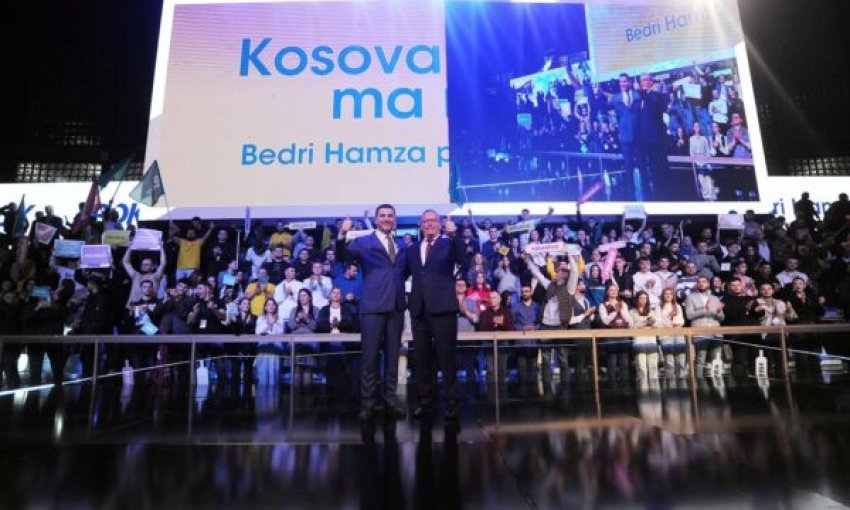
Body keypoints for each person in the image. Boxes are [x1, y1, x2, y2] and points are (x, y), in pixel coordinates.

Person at [337, 204, 407, 423]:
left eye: (390, 216)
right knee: (369, 357)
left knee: (393, 359)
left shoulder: (401, 244)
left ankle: (390, 402)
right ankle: (367, 404)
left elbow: (402, 273)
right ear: (376, 219)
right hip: (373, 307)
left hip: (395, 307)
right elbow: (343, 255)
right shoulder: (364, 241)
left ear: (395, 219)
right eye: (382, 216)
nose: (386, 219)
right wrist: (342, 234)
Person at [402, 209, 467, 425]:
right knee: (422, 360)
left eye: (433, 221)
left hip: (443, 309)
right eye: (425, 221)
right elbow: (402, 273)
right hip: (419, 310)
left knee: (447, 359)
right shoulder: (412, 248)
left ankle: (451, 405)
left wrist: (455, 233)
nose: (429, 224)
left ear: (440, 224)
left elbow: (463, 259)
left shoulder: (449, 243)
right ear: (420, 225)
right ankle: (425, 403)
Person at [524, 253, 580, 385]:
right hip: (545, 326)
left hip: (560, 326)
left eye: (559, 271)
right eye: (557, 271)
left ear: (564, 275)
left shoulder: (569, 288)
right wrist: (527, 260)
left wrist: (569, 255)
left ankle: (565, 387)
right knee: (545, 359)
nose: (556, 273)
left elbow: (575, 272)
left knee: (563, 359)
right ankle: (546, 387)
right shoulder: (550, 285)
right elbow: (537, 274)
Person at [685, 276, 725, 376]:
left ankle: (716, 381)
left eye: (704, 281)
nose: (701, 284)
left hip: (716, 332)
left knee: (717, 359)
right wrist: (704, 309)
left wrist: (719, 312)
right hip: (700, 332)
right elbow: (689, 315)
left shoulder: (715, 298)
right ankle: (699, 382)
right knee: (700, 358)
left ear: (708, 284)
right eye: (699, 282)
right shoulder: (691, 297)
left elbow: (722, 318)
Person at [598, 283, 633, 381]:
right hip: (610, 335)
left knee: (624, 362)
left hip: (623, 334)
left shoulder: (623, 304)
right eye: (611, 290)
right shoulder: (603, 305)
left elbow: (629, 320)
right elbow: (605, 321)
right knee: (612, 362)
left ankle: (625, 383)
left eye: (615, 290)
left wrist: (621, 311)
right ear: (607, 292)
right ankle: (612, 384)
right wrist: (615, 311)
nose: (613, 292)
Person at [255, 298, 285, 386]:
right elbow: (258, 332)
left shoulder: (280, 319)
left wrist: (274, 323)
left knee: (274, 374)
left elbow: (281, 332)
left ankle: (274, 394)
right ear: (265, 307)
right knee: (262, 373)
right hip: (263, 347)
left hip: (275, 347)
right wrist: (268, 325)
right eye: (268, 304)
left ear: (275, 307)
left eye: (273, 304)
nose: (271, 306)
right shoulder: (260, 318)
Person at [630, 291, 659, 379]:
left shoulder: (651, 311)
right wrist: (645, 322)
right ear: (637, 299)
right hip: (639, 339)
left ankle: (654, 385)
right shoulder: (632, 312)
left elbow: (657, 325)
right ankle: (642, 385)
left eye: (645, 298)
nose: (643, 300)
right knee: (641, 365)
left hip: (651, 338)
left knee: (653, 365)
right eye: (641, 298)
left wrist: (653, 322)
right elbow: (631, 326)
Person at [657, 288, 686, 378]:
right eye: (666, 293)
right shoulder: (659, 308)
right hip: (665, 335)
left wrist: (672, 323)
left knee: (681, 361)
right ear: (663, 296)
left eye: (670, 293)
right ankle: (671, 383)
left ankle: (681, 382)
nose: (668, 295)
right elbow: (659, 323)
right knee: (669, 362)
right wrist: (669, 317)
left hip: (678, 334)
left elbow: (681, 321)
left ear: (673, 296)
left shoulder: (677, 306)